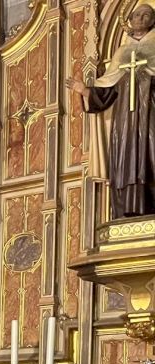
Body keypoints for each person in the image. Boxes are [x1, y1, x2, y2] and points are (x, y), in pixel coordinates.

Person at [68, 3, 155, 217]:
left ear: (153, 20)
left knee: (149, 153)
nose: (141, 18)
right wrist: (85, 90)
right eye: (137, 15)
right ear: (130, 21)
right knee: (126, 157)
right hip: (124, 117)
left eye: (146, 15)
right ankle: (127, 210)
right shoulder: (122, 52)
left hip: (151, 111)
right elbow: (109, 89)